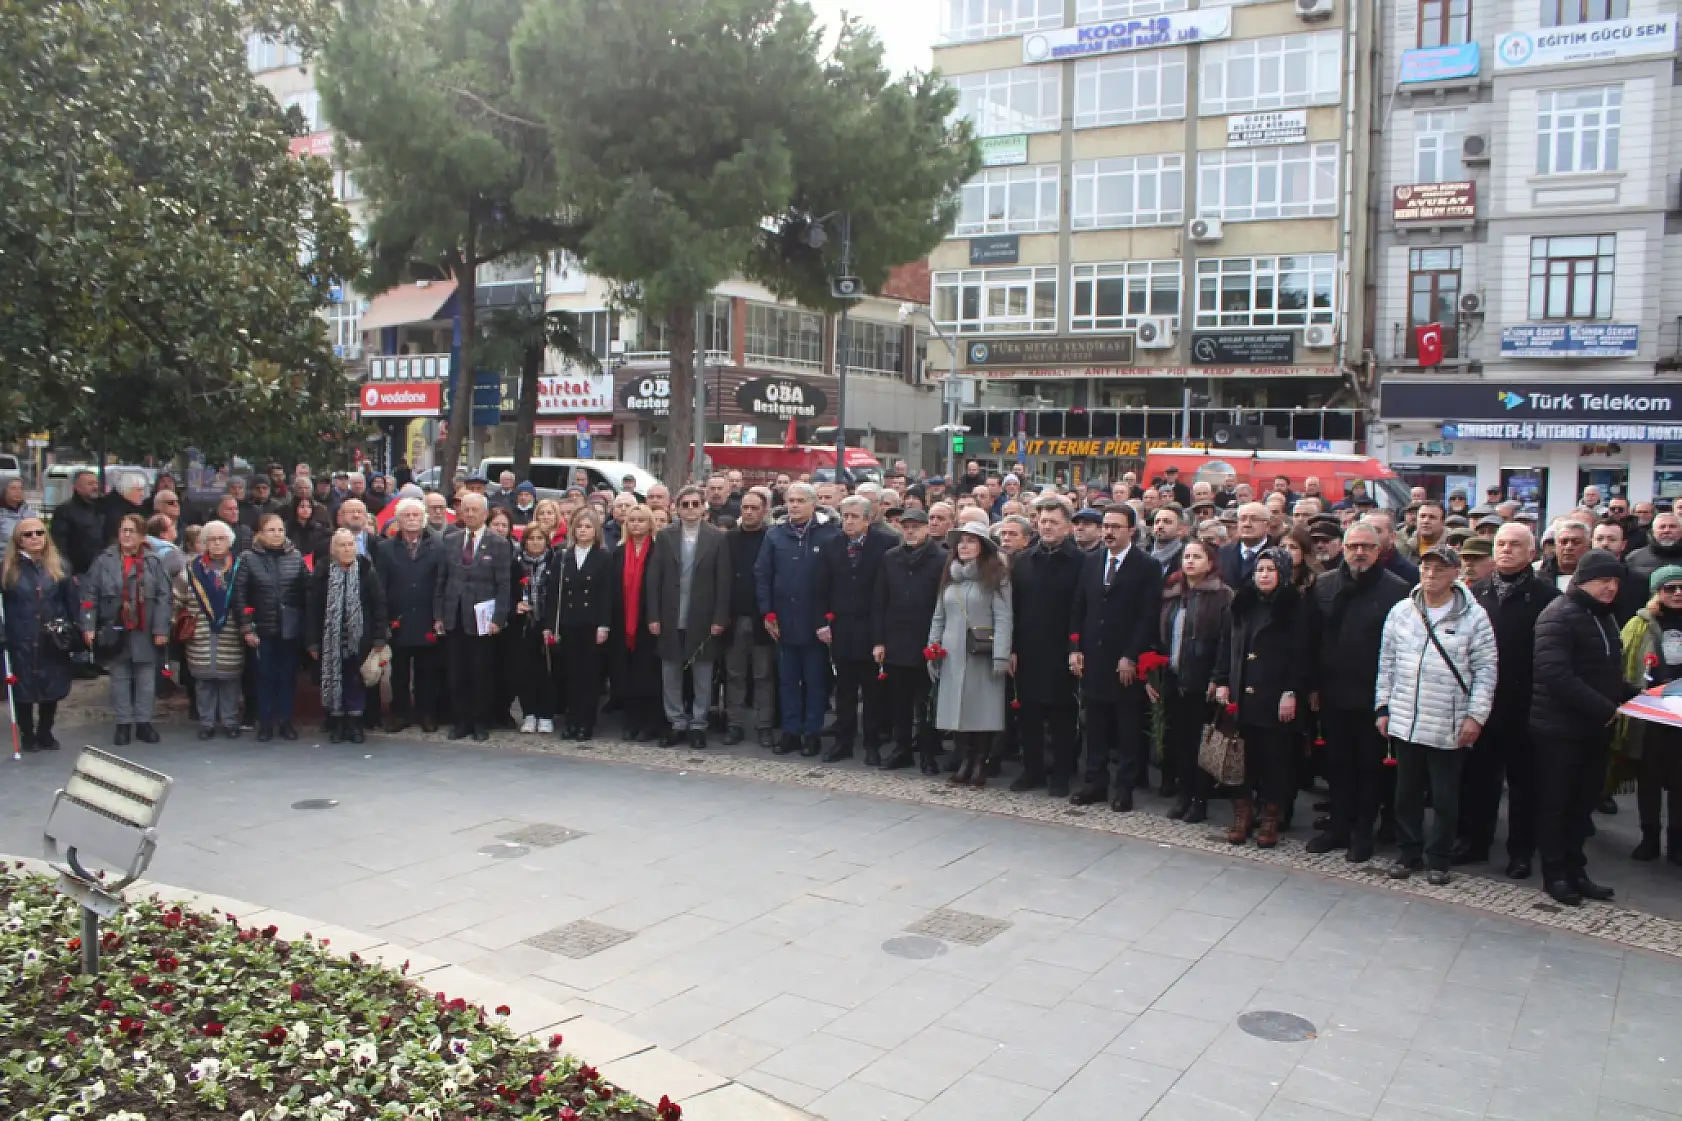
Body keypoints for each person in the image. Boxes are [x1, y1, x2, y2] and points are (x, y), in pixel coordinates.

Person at [1373, 545, 1498, 884]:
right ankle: (1408, 851)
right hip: (1406, 718)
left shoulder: (1474, 617)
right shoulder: (1401, 611)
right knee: (1406, 793)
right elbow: (1387, 662)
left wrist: (1476, 716)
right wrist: (1382, 706)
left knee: (1444, 796)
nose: (1431, 575)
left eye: (1440, 569)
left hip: (1449, 720)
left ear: (1455, 573)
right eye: (1426, 567)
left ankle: (1439, 858)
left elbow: (1486, 671)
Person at [1532, 549, 1636, 905]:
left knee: (1581, 805)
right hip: (1559, 731)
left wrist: (1639, 696)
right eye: (1604, 581)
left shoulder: (1604, 617)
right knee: (1556, 804)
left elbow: (1606, 673)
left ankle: (1576, 870)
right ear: (1583, 581)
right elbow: (1555, 674)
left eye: (1615, 581)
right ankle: (1555, 874)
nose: (1611, 588)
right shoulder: (1558, 615)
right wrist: (1606, 708)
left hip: (1593, 729)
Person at [1304, 523, 1410, 862]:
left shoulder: (1397, 589)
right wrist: (1313, 685)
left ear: (1379, 550)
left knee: (1369, 767)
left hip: (1372, 694)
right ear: (1344, 549)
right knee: (1336, 763)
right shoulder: (1324, 584)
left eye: (1367, 546)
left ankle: (1364, 831)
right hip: (1332, 691)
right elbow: (1312, 638)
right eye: (1353, 546)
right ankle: (1338, 826)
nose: (1359, 553)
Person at [1214, 548, 1311, 847]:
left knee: (1275, 761)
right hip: (1242, 693)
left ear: (1283, 573)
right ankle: (1242, 815)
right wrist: (1221, 680)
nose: (1264, 575)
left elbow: (1302, 655)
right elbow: (1227, 645)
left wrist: (1291, 691)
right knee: (1241, 759)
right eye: (1260, 570)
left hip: (1275, 695)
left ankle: (1270, 818)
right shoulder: (1242, 603)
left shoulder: (1295, 607)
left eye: (1271, 570)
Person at [1070, 505, 1164, 812]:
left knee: (1127, 727)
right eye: (1106, 526)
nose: (1108, 532)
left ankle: (1125, 787)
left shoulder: (1147, 566)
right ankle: (1095, 781)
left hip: (1125, 660)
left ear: (1131, 531)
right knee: (1095, 724)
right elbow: (1079, 606)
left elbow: (1147, 616)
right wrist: (1075, 647)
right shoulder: (1091, 561)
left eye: (1115, 527)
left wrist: (1131, 656)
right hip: (1094, 657)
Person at [1008, 499, 1086, 795]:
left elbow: (1082, 607)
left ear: (1067, 527)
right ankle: (1033, 770)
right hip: (1028, 648)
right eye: (1043, 521)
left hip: (1063, 649)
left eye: (1054, 521)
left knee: (1062, 715)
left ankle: (1061, 773)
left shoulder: (1082, 562)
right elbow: (1013, 608)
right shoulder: (1023, 561)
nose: (1047, 527)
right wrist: (1012, 647)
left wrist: (1075, 646)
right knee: (1029, 714)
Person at [1151, 538, 1231, 823]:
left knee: (1201, 743)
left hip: (1203, 681)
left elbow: (1226, 642)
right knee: (1180, 741)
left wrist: (1219, 677)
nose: (1190, 562)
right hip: (1174, 677)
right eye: (1186, 557)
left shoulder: (1223, 596)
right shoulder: (1173, 593)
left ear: (1210, 563)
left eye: (1197, 557)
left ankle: (1200, 799)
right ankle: (1183, 795)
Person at [929, 523, 1014, 785]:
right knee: (956, 709)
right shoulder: (951, 575)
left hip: (982, 653)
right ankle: (963, 760)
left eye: (971, 541)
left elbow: (1003, 617)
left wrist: (1001, 655)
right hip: (952, 653)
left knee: (982, 710)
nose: (964, 546)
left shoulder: (995, 576)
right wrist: (933, 647)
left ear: (982, 547)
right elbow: (939, 615)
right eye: (961, 541)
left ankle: (980, 762)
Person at [647, 486, 731, 748]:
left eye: (696, 504)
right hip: (670, 614)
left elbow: (724, 581)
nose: (691, 509)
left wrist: (720, 618)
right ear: (677, 508)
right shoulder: (665, 536)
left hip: (703, 617)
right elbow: (654, 579)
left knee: (702, 673)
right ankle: (676, 722)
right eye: (686, 504)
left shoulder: (717, 537)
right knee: (670, 671)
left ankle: (698, 724)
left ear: (703, 507)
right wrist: (653, 615)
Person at [756, 483, 835, 756]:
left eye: (800, 500)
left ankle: (811, 732)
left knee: (815, 681)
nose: (795, 505)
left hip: (816, 622)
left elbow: (834, 579)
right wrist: (768, 612)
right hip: (784, 619)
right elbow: (763, 575)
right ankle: (790, 730)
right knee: (788, 680)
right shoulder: (775, 534)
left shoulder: (828, 534)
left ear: (813, 504)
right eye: (791, 500)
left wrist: (828, 617)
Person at [815, 496, 895, 764]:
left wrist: (883, 633)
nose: (848, 522)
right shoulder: (831, 544)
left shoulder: (886, 544)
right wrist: (822, 622)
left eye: (854, 517)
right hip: (841, 625)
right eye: (845, 516)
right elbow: (821, 586)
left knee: (872, 690)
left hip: (871, 626)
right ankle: (843, 741)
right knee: (845, 689)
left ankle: (872, 743)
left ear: (868, 519)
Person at [83, 513, 172, 745]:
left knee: (146, 678)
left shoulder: (153, 562)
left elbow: (164, 597)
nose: (127, 535)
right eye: (124, 530)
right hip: (114, 628)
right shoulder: (104, 560)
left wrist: (161, 629)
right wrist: (89, 625)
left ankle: (144, 723)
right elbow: (89, 594)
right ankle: (123, 724)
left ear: (142, 536)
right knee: (119, 678)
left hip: (146, 628)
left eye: (132, 531)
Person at [1616, 565, 1682, 864]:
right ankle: (1649, 837)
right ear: (1658, 592)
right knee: (1649, 778)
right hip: (1650, 712)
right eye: (1670, 588)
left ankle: (1677, 841)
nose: (1677, 593)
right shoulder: (1640, 624)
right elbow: (1625, 661)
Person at [873, 507, 946, 773]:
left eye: (916, 526)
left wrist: (939, 641)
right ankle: (902, 749)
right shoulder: (890, 557)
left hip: (927, 639)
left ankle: (928, 752)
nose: (911, 531)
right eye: (906, 527)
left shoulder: (941, 558)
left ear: (927, 528)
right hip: (896, 638)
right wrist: (879, 640)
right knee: (899, 701)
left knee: (926, 702)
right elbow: (880, 600)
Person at [436, 493, 512, 742]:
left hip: (482, 619)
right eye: (465, 509)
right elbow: (442, 580)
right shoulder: (450, 540)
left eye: (474, 510)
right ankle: (461, 720)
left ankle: (480, 721)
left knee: (481, 673)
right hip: (454, 615)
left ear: (485, 513)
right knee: (456, 673)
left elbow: (504, 585)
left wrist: (498, 618)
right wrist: (439, 615)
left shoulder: (498, 543)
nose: (469, 514)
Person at [1, 517, 77, 751]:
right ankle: (27, 733)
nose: (35, 538)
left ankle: (45, 731)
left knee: (50, 685)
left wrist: (74, 629)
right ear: (19, 540)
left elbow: (71, 601)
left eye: (39, 532)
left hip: (51, 637)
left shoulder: (59, 566)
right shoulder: (7, 569)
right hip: (20, 637)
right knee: (22, 687)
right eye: (28, 534)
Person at [307, 528, 388, 743]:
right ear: (333, 549)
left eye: (350, 544)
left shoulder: (367, 572)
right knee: (335, 681)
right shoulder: (322, 573)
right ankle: (337, 723)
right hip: (330, 640)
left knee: (355, 682)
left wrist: (379, 637)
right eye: (342, 545)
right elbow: (313, 609)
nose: (347, 549)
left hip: (359, 639)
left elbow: (379, 606)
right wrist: (312, 642)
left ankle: (355, 725)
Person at [375, 498, 448, 734]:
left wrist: (439, 616)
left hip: (427, 618)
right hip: (398, 618)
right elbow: (380, 586)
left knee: (427, 672)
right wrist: (384, 619)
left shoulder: (438, 546)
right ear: (398, 520)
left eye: (416, 515)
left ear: (423, 518)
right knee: (399, 672)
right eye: (407, 515)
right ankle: (401, 714)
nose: (412, 519)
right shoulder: (385, 548)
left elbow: (442, 583)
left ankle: (426, 713)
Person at [174, 520, 248, 740]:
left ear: (229, 541)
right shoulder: (191, 569)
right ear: (204, 543)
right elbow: (176, 599)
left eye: (221, 539)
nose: (216, 543)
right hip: (200, 634)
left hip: (231, 632)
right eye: (211, 539)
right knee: (203, 681)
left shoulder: (239, 568)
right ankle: (206, 723)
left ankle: (230, 722)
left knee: (230, 680)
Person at [239, 514, 308, 742]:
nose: (277, 534)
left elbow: (305, 591)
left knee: (287, 677)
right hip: (261, 627)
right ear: (260, 533)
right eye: (271, 530)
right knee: (264, 677)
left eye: (280, 530)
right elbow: (240, 595)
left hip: (289, 628)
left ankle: (286, 722)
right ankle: (266, 723)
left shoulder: (295, 556)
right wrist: (246, 627)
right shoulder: (248, 558)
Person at [549, 508, 613, 740]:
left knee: (589, 676)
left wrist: (604, 625)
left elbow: (607, 594)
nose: (583, 531)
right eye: (579, 526)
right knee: (570, 675)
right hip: (567, 622)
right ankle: (571, 721)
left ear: (596, 530)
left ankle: (586, 723)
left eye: (587, 527)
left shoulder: (603, 557)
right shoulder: (562, 556)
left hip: (591, 624)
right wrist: (551, 625)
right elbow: (554, 594)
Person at [724, 490, 775, 747]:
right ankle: (734, 724)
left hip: (762, 618)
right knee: (734, 674)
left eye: (754, 508)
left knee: (763, 675)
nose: (749, 512)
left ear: (764, 511)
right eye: (745, 507)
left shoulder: (772, 538)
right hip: (734, 617)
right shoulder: (729, 539)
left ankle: (764, 725)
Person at [609, 505, 663, 740]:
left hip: (649, 620)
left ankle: (650, 723)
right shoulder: (619, 553)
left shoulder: (658, 551)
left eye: (641, 520)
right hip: (623, 621)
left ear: (650, 524)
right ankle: (631, 722)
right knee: (626, 673)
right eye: (632, 520)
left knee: (648, 674)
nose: (636, 524)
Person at [53, 469, 105, 575]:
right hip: (78, 572)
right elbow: (59, 544)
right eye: (90, 484)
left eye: (96, 483)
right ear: (77, 487)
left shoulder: (102, 508)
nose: (95, 487)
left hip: (102, 570)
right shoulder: (65, 511)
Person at [1217, 503, 1271, 587]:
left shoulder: (1277, 554)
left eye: (1254, 519)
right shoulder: (1223, 552)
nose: (1247, 524)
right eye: (1243, 519)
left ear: (1267, 525)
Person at [285, 495, 330, 559]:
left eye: (309, 507)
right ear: (296, 508)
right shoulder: (288, 527)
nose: (306, 509)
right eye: (302, 506)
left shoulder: (318, 528)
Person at [0, 477, 37, 553]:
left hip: (30, 556)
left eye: (21, 488)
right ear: (4, 491)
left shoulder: (29, 512)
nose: (18, 491)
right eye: (13, 488)